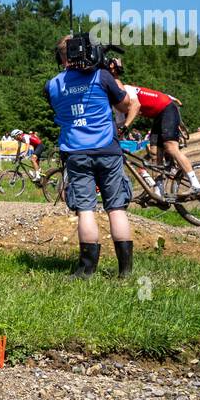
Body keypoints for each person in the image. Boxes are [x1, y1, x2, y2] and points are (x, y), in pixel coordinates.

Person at [46, 35, 139, 279]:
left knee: (85, 210)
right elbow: (125, 105)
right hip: (107, 149)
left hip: (75, 152)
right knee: (116, 209)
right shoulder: (102, 77)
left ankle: (86, 270)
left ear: (61, 58)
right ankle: (125, 272)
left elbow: (59, 108)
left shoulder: (53, 85)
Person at [107, 58, 200, 203]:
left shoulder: (126, 90)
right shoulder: (116, 103)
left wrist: (125, 127)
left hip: (167, 109)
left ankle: (196, 185)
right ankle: (159, 191)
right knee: (154, 154)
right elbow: (119, 124)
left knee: (171, 147)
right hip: (158, 115)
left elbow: (137, 106)